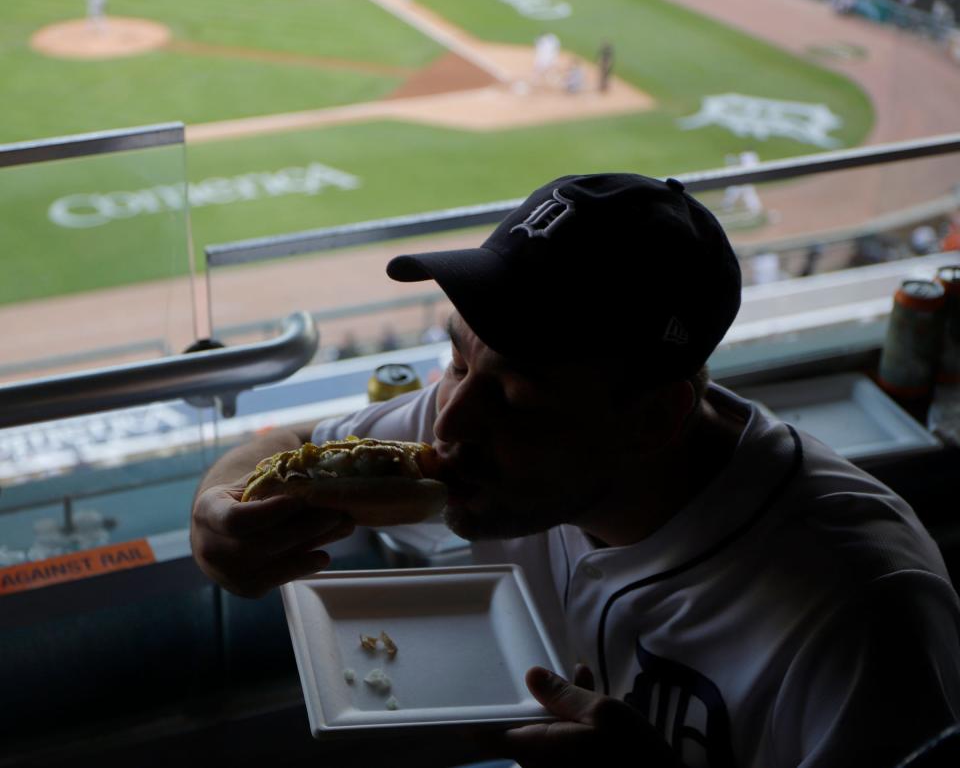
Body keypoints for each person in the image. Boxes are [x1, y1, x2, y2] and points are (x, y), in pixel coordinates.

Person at [191, 173, 960, 767]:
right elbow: (286, 440)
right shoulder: (483, 425)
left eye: (517, 394)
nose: (447, 421)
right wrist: (217, 511)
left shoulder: (864, 617)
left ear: (654, 419)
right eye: (457, 358)